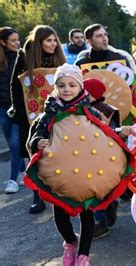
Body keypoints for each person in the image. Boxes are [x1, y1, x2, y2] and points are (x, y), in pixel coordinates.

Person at [26, 64, 131, 265]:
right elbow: (37, 134)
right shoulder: (49, 113)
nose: (67, 89)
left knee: (87, 216)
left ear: (80, 87)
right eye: (62, 85)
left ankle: (83, 255)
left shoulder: (91, 112)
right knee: (60, 217)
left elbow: (104, 136)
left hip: (86, 176)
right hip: (59, 177)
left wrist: (120, 133)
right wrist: (37, 141)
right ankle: (70, 242)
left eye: (72, 85)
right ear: (56, 87)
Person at [75, 23, 132, 240]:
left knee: (114, 166)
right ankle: (102, 216)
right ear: (89, 40)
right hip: (86, 123)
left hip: (116, 118)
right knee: (92, 174)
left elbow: (130, 88)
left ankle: (116, 197)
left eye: (105, 35)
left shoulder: (120, 59)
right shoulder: (82, 63)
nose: (104, 38)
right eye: (99, 36)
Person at [9, 25, 66, 213]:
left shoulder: (59, 59)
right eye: (48, 40)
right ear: (39, 42)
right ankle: (37, 196)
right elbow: (16, 86)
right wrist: (18, 111)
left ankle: (63, 192)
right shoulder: (25, 57)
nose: (53, 44)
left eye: (54, 40)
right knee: (33, 155)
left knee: (58, 153)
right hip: (30, 116)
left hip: (56, 115)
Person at [0, 27, 25, 194]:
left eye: (18, 40)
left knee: (16, 144)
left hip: (16, 107)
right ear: (3, 42)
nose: (17, 43)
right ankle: (24, 171)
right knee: (11, 143)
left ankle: (12, 180)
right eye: (13, 40)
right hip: (1, 108)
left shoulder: (22, 57)